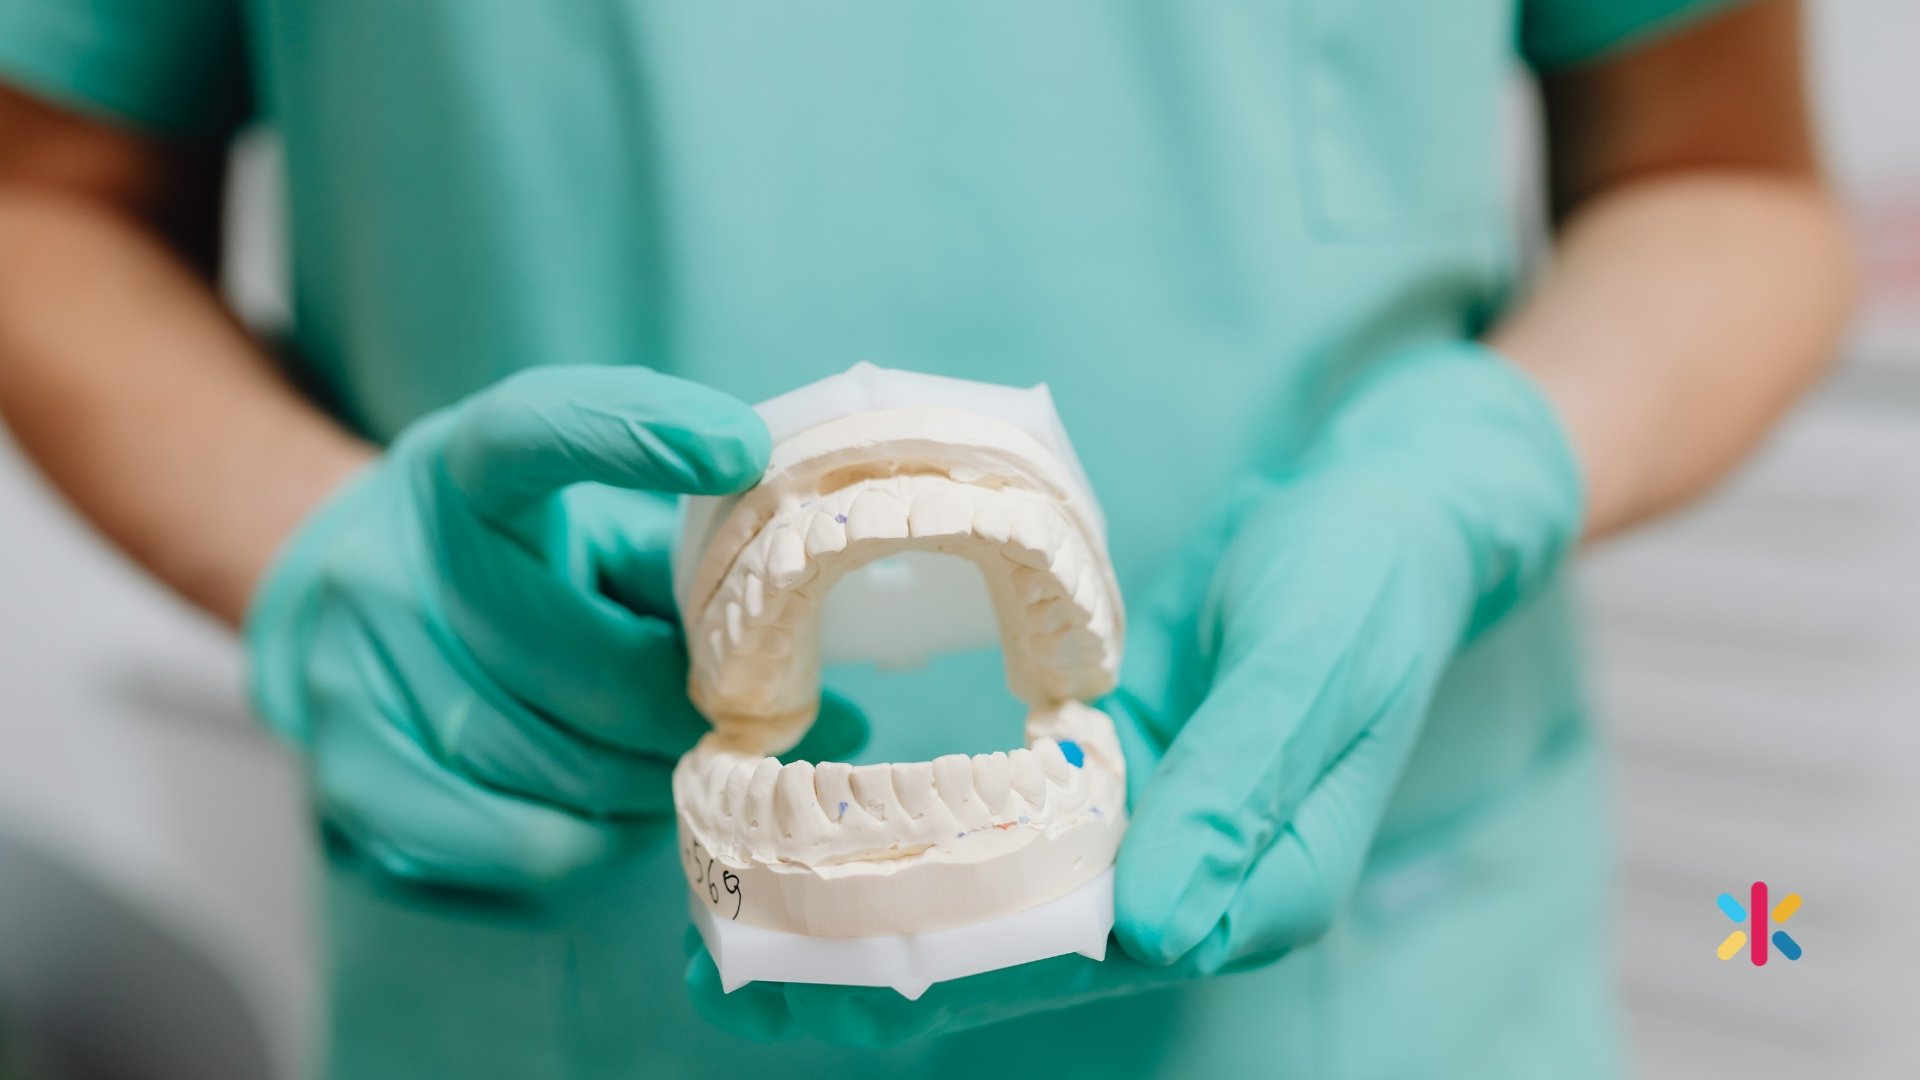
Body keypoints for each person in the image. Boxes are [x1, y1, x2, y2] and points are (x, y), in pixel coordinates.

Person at [0, 1, 1852, 1076]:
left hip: (1390, 997)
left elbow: (1723, 164)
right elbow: (46, 195)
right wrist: (316, 545)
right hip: (568, 998)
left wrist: (1477, 471)